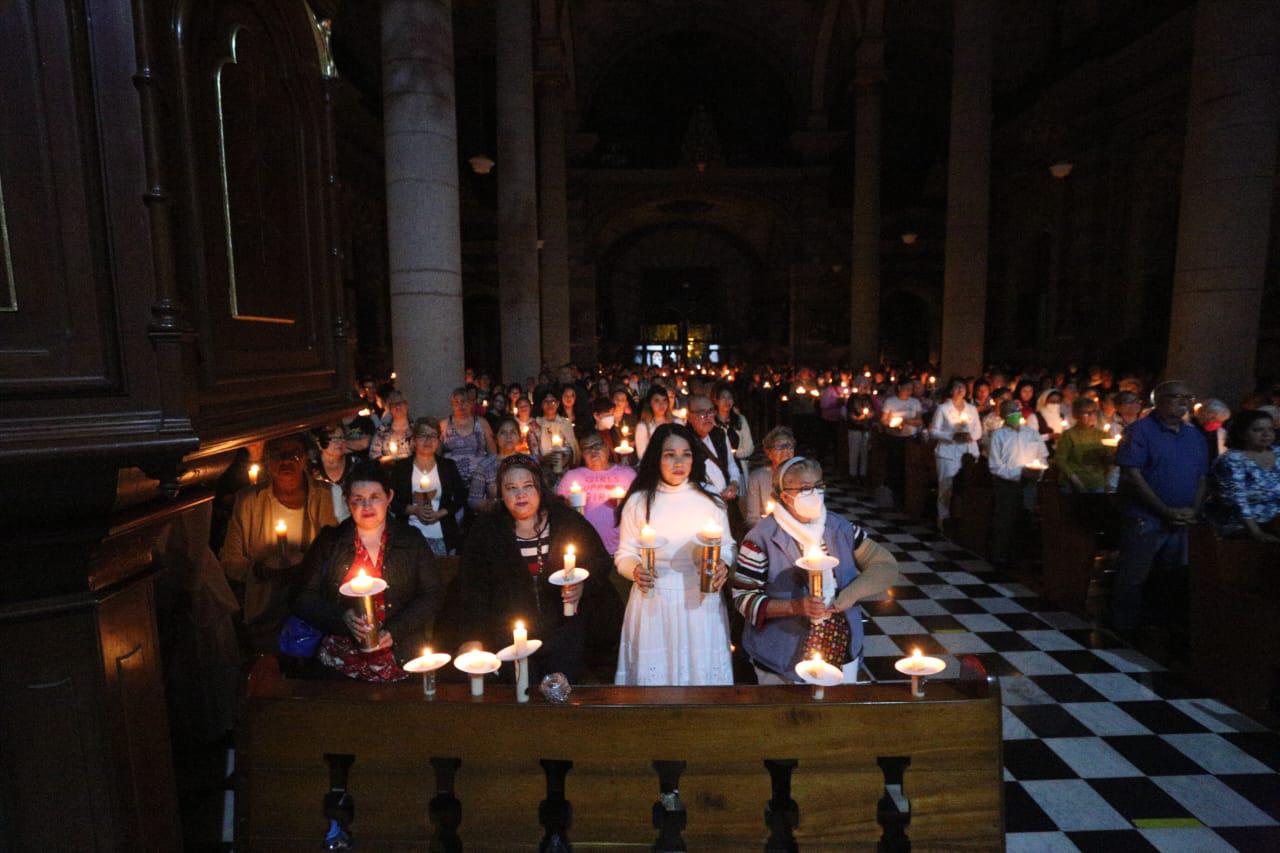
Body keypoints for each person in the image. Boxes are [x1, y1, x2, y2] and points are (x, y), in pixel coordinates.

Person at [733, 457, 898, 683]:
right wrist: (795, 606)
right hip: (784, 656)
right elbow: (743, 598)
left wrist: (848, 596)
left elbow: (885, 565)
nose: (815, 494)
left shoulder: (840, 528)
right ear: (784, 496)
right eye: (804, 488)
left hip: (841, 648)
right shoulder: (761, 538)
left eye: (819, 486)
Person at [461, 455, 620, 682]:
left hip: (563, 628)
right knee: (519, 693)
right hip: (509, 632)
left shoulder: (566, 521)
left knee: (563, 686)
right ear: (501, 494)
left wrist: (582, 584)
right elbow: (473, 588)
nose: (520, 494)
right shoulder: (486, 530)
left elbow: (600, 561)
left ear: (540, 488)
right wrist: (473, 637)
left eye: (528, 486)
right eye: (511, 488)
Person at [292, 463, 445, 680]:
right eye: (357, 499)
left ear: (389, 496)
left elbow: (432, 593)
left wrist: (393, 630)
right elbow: (303, 597)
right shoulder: (331, 540)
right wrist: (341, 617)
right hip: (340, 661)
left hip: (400, 655)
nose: (366, 506)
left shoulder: (410, 540)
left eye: (375, 497)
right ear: (347, 501)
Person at [614, 424, 735, 686]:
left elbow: (726, 544)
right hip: (653, 600)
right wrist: (635, 569)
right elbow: (624, 553)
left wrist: (723, 563)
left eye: (686, 454)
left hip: (701, 599)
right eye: (669, 454)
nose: (679, 462)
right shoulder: (639, 501)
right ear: (656, 457)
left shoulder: (709, 497)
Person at [221, 434, 339, 653]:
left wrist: (307, 570)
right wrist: (262, 571)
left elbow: (340, 555)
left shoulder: (327, 497)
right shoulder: (249, 502)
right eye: (278, 455)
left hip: (315, 614)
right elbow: (230, 561)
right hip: (266, 614)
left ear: (304, 458)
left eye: (293, 454)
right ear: (267, 459)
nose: (286, 461)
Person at [1111, 380, 1208, 632]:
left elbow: (1202, 476)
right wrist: (1163, 510)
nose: (1183, 402)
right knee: (1134, 574)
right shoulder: (1141, 431)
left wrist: (1193, 510)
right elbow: (1132, 474)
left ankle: (1161, 624)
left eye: (1188, 397)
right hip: (1146, 516)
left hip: (1183, 518)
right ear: (1159, 400)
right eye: (1177, 397)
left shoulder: (1194, 435)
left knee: (1172, 575)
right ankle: (1124, 627)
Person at [389, 418, 466, 555]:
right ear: (414, 440)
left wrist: (440, 513)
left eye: (432, 436)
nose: (428, 440)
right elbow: (391, 501)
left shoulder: (448, 466)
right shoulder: (401, 468)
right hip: (409, 534)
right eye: (423, 435)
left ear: (438, 440)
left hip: (442, 533)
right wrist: (413, 510)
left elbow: (461, 496)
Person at [986, 400, 1049, 567]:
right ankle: (1001, 556)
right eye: (1010, 412)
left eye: (1017, 411)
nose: (1015, 414)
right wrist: (1018, 473)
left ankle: (1021, 555)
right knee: (1005, 518)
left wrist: (1038, 470)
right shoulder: (998, 435)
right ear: (1003, 416)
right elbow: (995, 466)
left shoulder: (1031, 433)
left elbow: (1042, 455)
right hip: (1007, 483)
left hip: (1030, 483)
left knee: (1026, 517)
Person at [555, 432, 637, 555]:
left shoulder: (627, 474)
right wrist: (568, 504)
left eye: (597, 445)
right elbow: (557, 511)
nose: (593, 451)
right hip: (584, 548)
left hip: (622, 550)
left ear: (607, 448)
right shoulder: (572, 476)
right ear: (582, 454)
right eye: (587, 448)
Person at [1208, 410, 1280, 543]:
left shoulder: (1278, 453)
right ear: (1242, 433)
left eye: (1270, 429)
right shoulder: (1232, 460)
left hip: (1275, 522)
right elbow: (1237, 501)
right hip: (1244, 526)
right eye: (1257, 430)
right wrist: (1257, 533)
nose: (1266, 434)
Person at [930, 379, 981, 527]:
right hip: (948, 452)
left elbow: (978, 429)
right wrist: (952, 436)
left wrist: (971, 436)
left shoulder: (971, 409)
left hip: (968, 452)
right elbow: (933, 431)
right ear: (951, 390)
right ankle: (943, 519)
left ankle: (962, 520)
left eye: (963, 388)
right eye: (956, 387)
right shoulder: (943, 409)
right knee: (946, 487)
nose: (960, 390)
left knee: (966, 487)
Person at [687, 394, 744, 514]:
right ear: (690, 416)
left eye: (711, 411)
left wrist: (733, 484)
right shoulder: (684, 442)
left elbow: (731, 464)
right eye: (702, 413)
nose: (708, 417)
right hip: (701, 507)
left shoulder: (719, 435)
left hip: (726, 503)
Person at [440, 386, 497, 483]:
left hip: (479, 477)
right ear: (452, 405)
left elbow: (492, 453)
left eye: (464, 401)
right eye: (456, 402)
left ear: (470, 403)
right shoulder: (444, 424)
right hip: (451, 477)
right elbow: (437, 452)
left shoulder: (482, 423)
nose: (460, 405)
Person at [468, 417, 525, 513]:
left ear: (519, 437)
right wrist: (489, 504)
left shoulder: (528, 462)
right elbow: (473, 500)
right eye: (503, 433)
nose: (508, 436)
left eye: (513, 432)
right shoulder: (485, 465)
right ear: (495, 437)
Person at [745, 427, 795, 528]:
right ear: (769, 453)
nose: (785, 450)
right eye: (779, 446)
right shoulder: (757, 478)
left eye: (789, 446)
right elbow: (752, 519)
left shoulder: (801, 476)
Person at [310, 424, 359, 523]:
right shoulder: (312, 469)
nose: (340, 442)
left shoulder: (355, 464)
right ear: (320, 443)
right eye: (334, 439)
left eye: (341, 438)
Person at [535, 387, 580, 470]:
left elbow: (572, 448)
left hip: (565, 468)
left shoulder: (566, 423)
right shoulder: (536, 424)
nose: (550, 405)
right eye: (546, 402)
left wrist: (562, 460)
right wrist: (547, 459)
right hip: (543, 471)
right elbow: (534, 454)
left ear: (558, 403)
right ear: (541, 404)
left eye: (553, 401)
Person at [635, 383, 679, 459]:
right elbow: (642, 456)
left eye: (664, 400)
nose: (662, 405)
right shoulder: (643, 427)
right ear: (650, 403)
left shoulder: (677, 422)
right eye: (657, 401)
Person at [369, 390, 413, 460]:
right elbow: (373, 456)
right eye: (394, 404)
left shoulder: (415, 430)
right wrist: (389, 459)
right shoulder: (382, 431)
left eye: (400, 403)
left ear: (406, 405)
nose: (397, 406)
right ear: (390, 408)